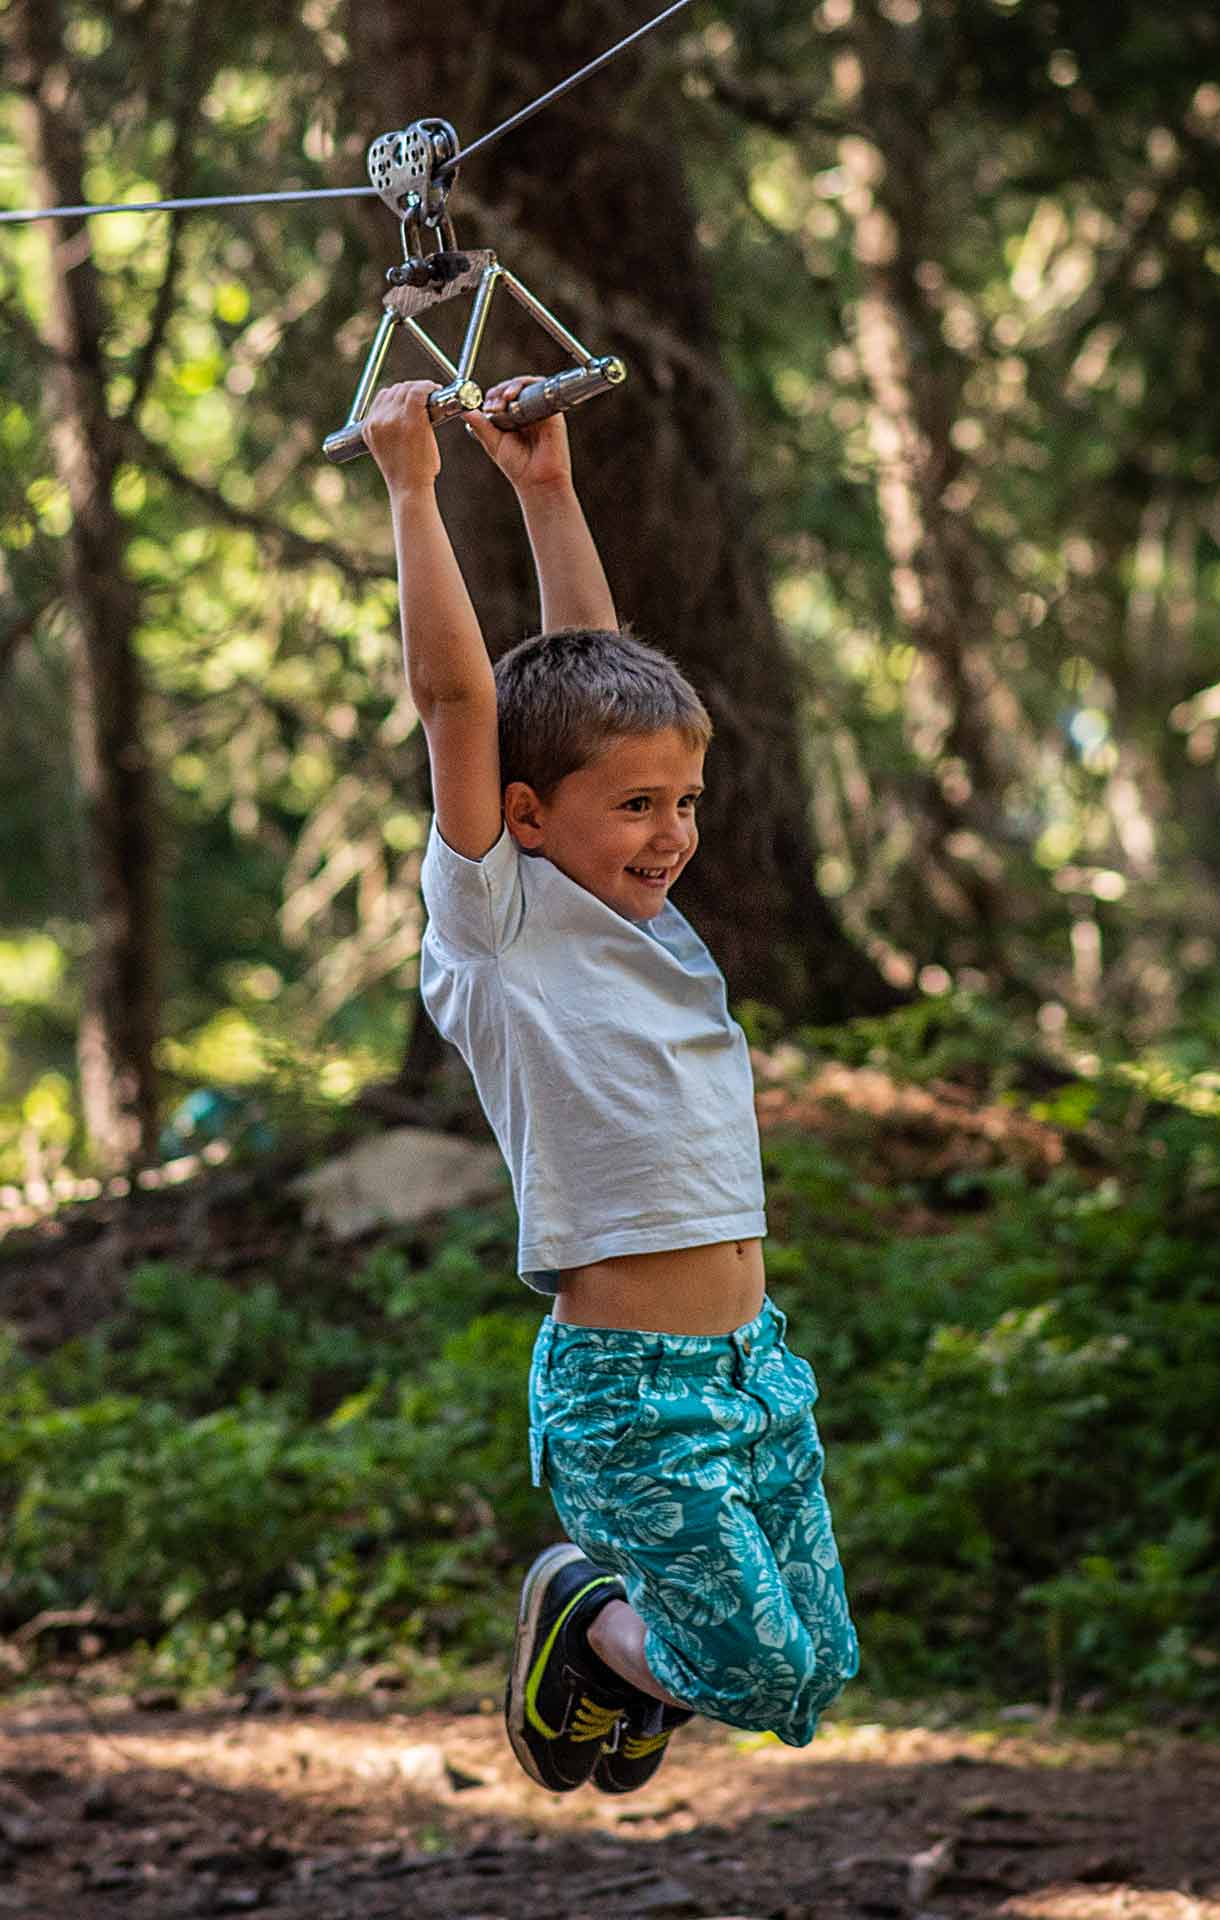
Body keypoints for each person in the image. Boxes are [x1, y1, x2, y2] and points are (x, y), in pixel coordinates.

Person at [363, 376, 859, 1796]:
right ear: (524, 819)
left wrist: (544, 489)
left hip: (754, 1368)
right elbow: (466, 699)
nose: (670, 835)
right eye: (636, 808)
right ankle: (583, 1616)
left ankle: (609, 1676)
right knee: (752, 1671)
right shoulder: (501, 929)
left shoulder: (647, 926)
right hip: (633, 1392)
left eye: (683, 802)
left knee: (814, 1670)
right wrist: (414, 491)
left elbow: (599, 682)